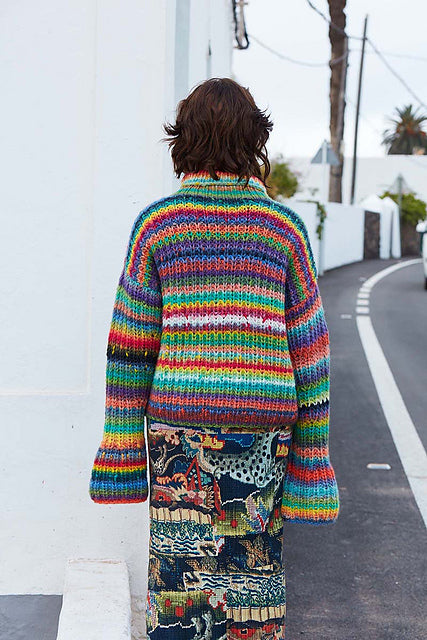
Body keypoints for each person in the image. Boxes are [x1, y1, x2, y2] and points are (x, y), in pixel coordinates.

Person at [89, 77, 340, 640]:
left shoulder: (157, 226)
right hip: (263, 439)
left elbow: (128, 351)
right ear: (254, 140)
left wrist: (122, 447)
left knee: (182, 587)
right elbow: (312, 354)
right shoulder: (284, 230)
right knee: (252, 585)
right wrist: (312, 458)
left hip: (178, 440)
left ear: (185, 139)